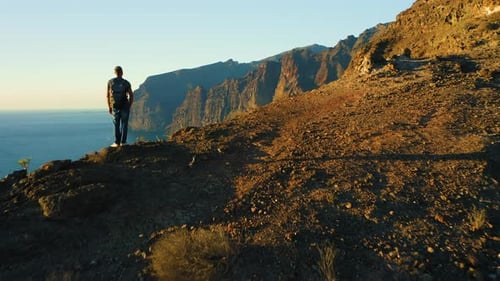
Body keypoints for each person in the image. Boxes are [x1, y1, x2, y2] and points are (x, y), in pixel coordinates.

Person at [107, 66, 134, 147]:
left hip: (115, 106)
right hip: (124, 106)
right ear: (122, 73)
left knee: (116, 124)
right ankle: (123, 142)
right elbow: (131, 95)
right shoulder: (126, 83)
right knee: (124, 124)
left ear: (115, 72)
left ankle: (116, 142)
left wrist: (109, 107)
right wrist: (129, 105)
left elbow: (107, 95)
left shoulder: (110, 82)